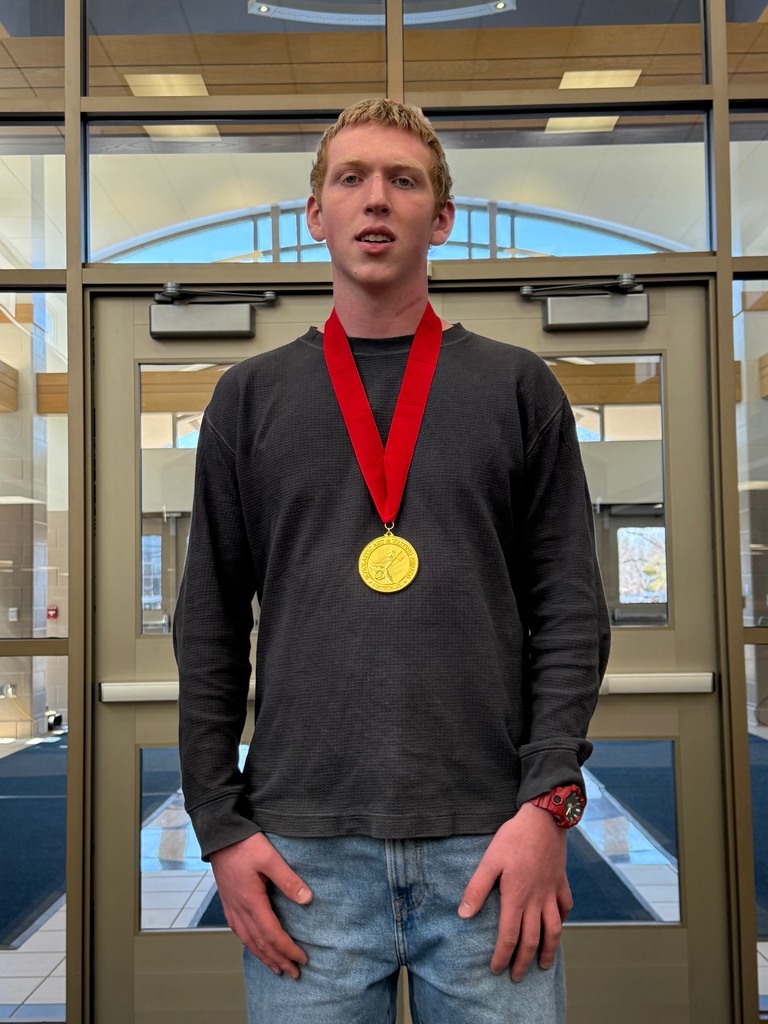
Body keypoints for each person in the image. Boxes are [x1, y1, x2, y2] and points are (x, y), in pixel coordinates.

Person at [174, 98, 610, 1024]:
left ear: (440, 218)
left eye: (403, 181)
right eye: (352, 179)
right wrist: (218, 826)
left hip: (490, 843)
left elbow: (570, 611)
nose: (376, 199)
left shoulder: (518, 388)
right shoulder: (248, 399)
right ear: (316, 215)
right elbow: (208, 621)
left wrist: (548, 806)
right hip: (302, 857)